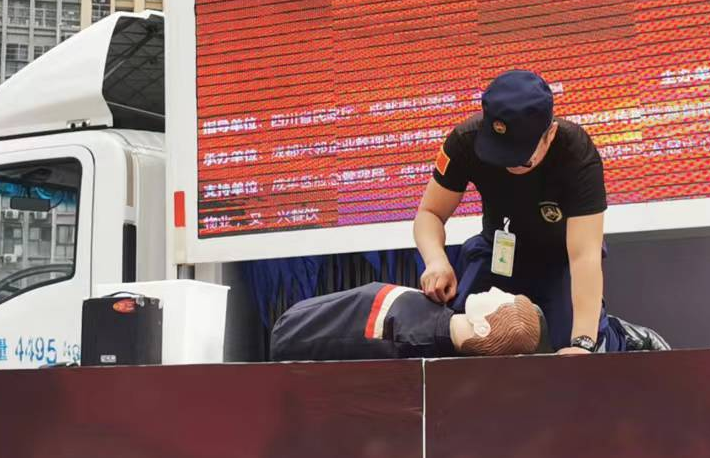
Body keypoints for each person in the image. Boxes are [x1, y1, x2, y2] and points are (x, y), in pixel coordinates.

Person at [413, 69, 669, 354]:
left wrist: (583, 342)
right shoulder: (464, 141)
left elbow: (585, 255)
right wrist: (436, 261)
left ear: (550, 135)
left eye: (521, 159)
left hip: (560, 259)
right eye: (497, 154)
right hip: (499, 251)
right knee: (461, 335)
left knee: (577, 349)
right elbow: (430, 213)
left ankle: (620, 335)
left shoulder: (576, 154)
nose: (508, 165)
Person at [270, 282, 545, 361]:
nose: (496, 290)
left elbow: (295, 336)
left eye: (503, 301)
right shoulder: (429, 314)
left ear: (483, 328)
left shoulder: (403, 339)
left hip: (292, 330)